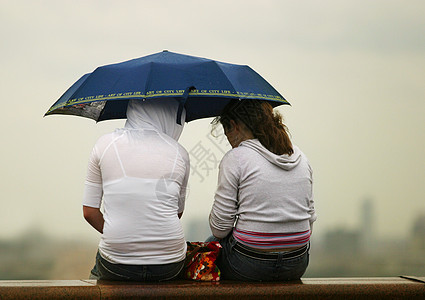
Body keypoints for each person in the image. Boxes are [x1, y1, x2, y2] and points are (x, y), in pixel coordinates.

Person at [82, 98, 190, 281]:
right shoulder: (180, 153)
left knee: (97, 272)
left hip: (116, 265)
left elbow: (89, 212)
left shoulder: (104, 145)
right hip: (169, 265)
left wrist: (118, 234)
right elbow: (176, 212)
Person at [209, 99, 316, 281]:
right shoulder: (301, 158)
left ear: (234, 125)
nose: (228, 139)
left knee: (210, 243)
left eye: (226, 131)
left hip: (247, 264)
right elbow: (310, 218)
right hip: (297, 264)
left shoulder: (236, 158)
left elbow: (220, 229)